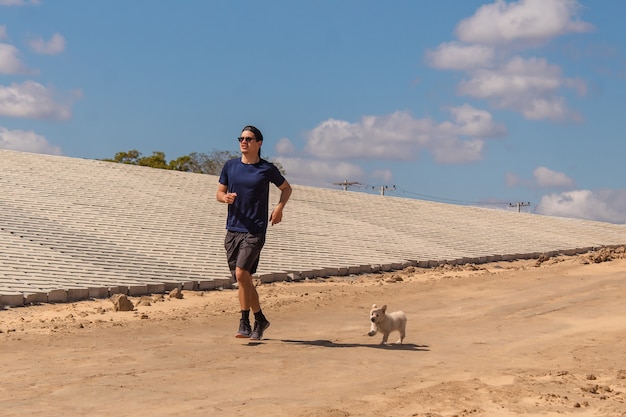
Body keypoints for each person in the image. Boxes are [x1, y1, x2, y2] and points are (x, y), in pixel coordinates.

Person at [216, 125, 292, 340]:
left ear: (259, 143)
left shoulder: (267, 169)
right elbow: (219, 192)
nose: (244, 142)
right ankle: (260, 319)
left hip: (255, 230)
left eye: (249, 139)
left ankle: (244, 322)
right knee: (244, 279)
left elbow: (286, 188)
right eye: (241, 138)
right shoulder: (230, 166)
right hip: (233, 230)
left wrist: (279, 208)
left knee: (241, 274)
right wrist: (225, 198)